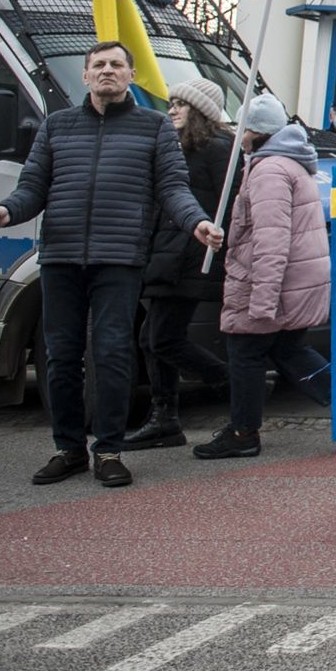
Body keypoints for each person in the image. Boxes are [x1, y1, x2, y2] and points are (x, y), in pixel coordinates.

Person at [0, 42, 223, 488]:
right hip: (60, 256)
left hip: (120, 259)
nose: (107, 71)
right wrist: (5, 211)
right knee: (60, 357)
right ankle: (68, 449)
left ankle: (108, 449)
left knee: (111, 353)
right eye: (98, 65)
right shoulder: (57, 126)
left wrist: (198, 223)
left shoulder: (154, 128)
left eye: (116, 65)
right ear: (87, 76)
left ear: (131, 75)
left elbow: (174, 188)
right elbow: (32, 188)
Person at [194, 94, 335, 460]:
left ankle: (243, 432)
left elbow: (271, 241)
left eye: (241, 128)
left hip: (274, 281)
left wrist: (262, 301)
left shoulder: (269, 170)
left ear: (254, 131)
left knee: (244, 350)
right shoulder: (290, 163)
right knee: (288, 348)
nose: (236, 135)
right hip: (297, 279)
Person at [121, 78, 235, 451]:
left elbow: (228, 205)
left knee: (162, 338)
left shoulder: (219, 150)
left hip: (192, 257)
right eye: (170, 103)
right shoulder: (176, 147)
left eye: (180, 104)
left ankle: (232, 381)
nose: (171, 110)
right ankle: (164, 418)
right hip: (165, 257)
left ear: (199, 111)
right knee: (149, 338)